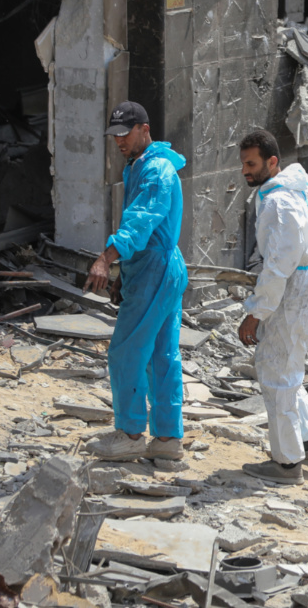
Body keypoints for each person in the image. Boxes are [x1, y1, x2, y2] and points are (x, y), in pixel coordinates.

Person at [81, 101, 189, 461]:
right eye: (115, 136)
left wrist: (106, 259)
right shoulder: (141, 165)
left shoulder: (156, 170)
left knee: (126, 351)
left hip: (154, 270)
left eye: (125, 135)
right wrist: (123, 276)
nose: (119, 142)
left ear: (144, 130)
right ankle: (167, 439)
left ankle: (129, 433)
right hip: (156, 269)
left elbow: (140, 223)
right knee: (161, 354)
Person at [236, 129, 308, 485]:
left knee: (276, 371)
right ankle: (306, 442)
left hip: (294, 288)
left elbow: (279, 265)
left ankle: (287, 463)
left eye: (251, 164)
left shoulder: (279, 201)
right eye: (244, 164)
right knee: (290, 364)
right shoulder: (301, 189)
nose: (245, 171)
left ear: (272, 162)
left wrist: (255, 313)